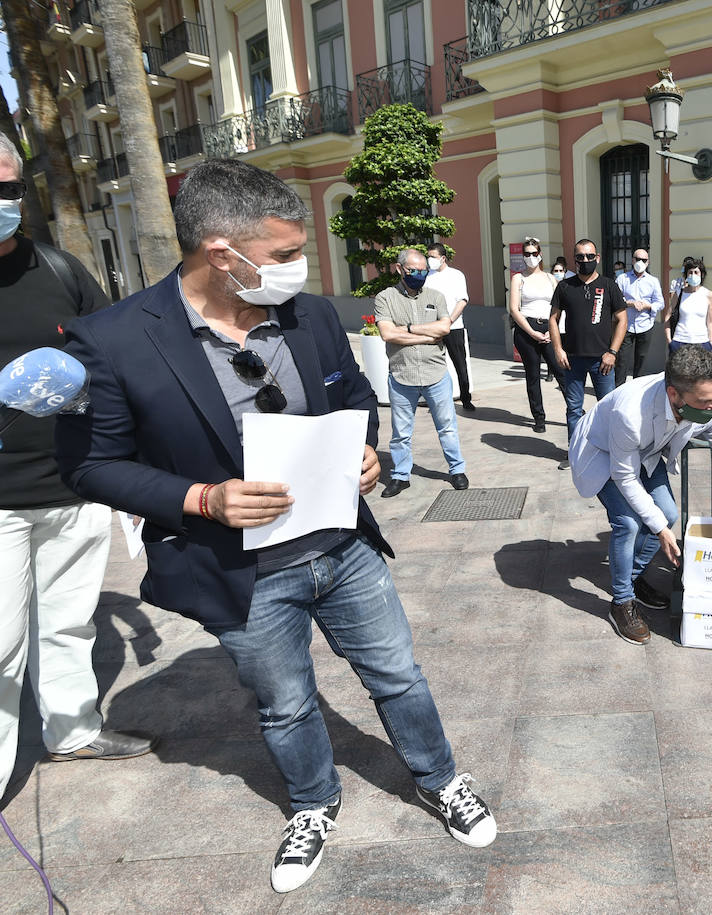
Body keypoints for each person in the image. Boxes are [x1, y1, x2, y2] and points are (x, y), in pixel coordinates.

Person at [54, 159, 497, 892]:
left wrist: (371, 454)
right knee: (285, 703)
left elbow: (354, 393)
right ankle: (313, 802)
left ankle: (439, 777)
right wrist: (203, 498)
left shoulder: (311, 313)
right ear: (221, 254)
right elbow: (91, 467)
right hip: (242, 570)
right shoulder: (113, 340)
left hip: (344, 548)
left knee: (398, 675)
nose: (299, 269)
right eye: (284, 256)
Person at [0, 134, 154, 800]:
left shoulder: (60, 270)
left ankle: (71, 729)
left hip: (74, 484)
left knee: (68, 623)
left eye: (5, 188)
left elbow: (112, 355)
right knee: (1, 645)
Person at [569, 345, 712, 644]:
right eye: (706, 401)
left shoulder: (705, 403)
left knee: (668, 514)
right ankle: (621, 601)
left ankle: (630, 576)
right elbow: (625, 475)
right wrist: (659, 531)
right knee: (629, 523)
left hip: (647, 449)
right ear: (674, 394)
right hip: (603, 452)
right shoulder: (630, 412)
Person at [374, 248, 469, 496]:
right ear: (399, 269)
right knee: (401, 433)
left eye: (423, 270)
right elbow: (387, 333)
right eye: (413, 271)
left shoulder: (435, 296)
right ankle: (400, 475)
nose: (419, 274)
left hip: (435, 374)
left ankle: (457, 470)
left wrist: (406, 329)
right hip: (402, 376)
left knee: (447, 427)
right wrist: (426, 335)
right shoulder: (385, 298)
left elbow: (445, 328)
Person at [549, 238, 628, 460]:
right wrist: (558, 349)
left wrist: (612, 352)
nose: (585, 261)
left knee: (608, 410)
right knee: (574, 409)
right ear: (574, 260)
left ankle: (611, 453)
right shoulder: (564, 286)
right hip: (572, 360)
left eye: (590, 256)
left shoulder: (609, 285)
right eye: (580, 257)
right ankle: (576, 454)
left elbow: (622, 319)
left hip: (602, 361)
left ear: (597, 258)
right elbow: (553, 319)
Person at [508, 236, 564, 432]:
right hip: (526, 329)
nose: (530, 257)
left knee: (561, 371)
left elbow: (559, 307)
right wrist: (532, 332)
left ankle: (574, 408)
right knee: (532, 375)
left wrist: (551, 329)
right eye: (527, 254)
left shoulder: (550, 278)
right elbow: (514, 309)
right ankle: (539, 418)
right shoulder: (518, 278)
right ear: (523, 256)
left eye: (534, 253)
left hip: (549, 327)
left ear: (540, 255)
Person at [424, 243, 475, 412]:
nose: (430, 260)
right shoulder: (426, 276)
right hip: (433, 327)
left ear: (443, 258)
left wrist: (449, 320)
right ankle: (438, 400)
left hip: (454, 327)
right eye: (428, 256)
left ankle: (466, 397)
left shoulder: (456, 275)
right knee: (434, 365)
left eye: (433, 257)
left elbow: (462, 300)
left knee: (460, 364)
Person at [615, 246, 664, 385]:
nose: (640, 262)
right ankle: (618, 390)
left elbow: (660, 303)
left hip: (645, 325)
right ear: (632, 260)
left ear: (648, 262)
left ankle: (636, 390)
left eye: (644, 260)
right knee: (622, 360)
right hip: (626, 325)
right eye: (638, 259)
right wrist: (630, 303)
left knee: (641, 361)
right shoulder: (622, 279)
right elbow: (616, 300)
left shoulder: (653, 281)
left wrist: (647, 305)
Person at [665, 257, 712, 352]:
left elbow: (711, 322)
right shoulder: (679, 293)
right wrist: (669, 341)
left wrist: (711, 342)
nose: (693, 275)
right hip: (680, 341)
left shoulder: (709, 295)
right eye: (690, 272)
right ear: (686, 275)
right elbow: (668, 316)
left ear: (702, 274)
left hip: (702, 342)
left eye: (696, 272)